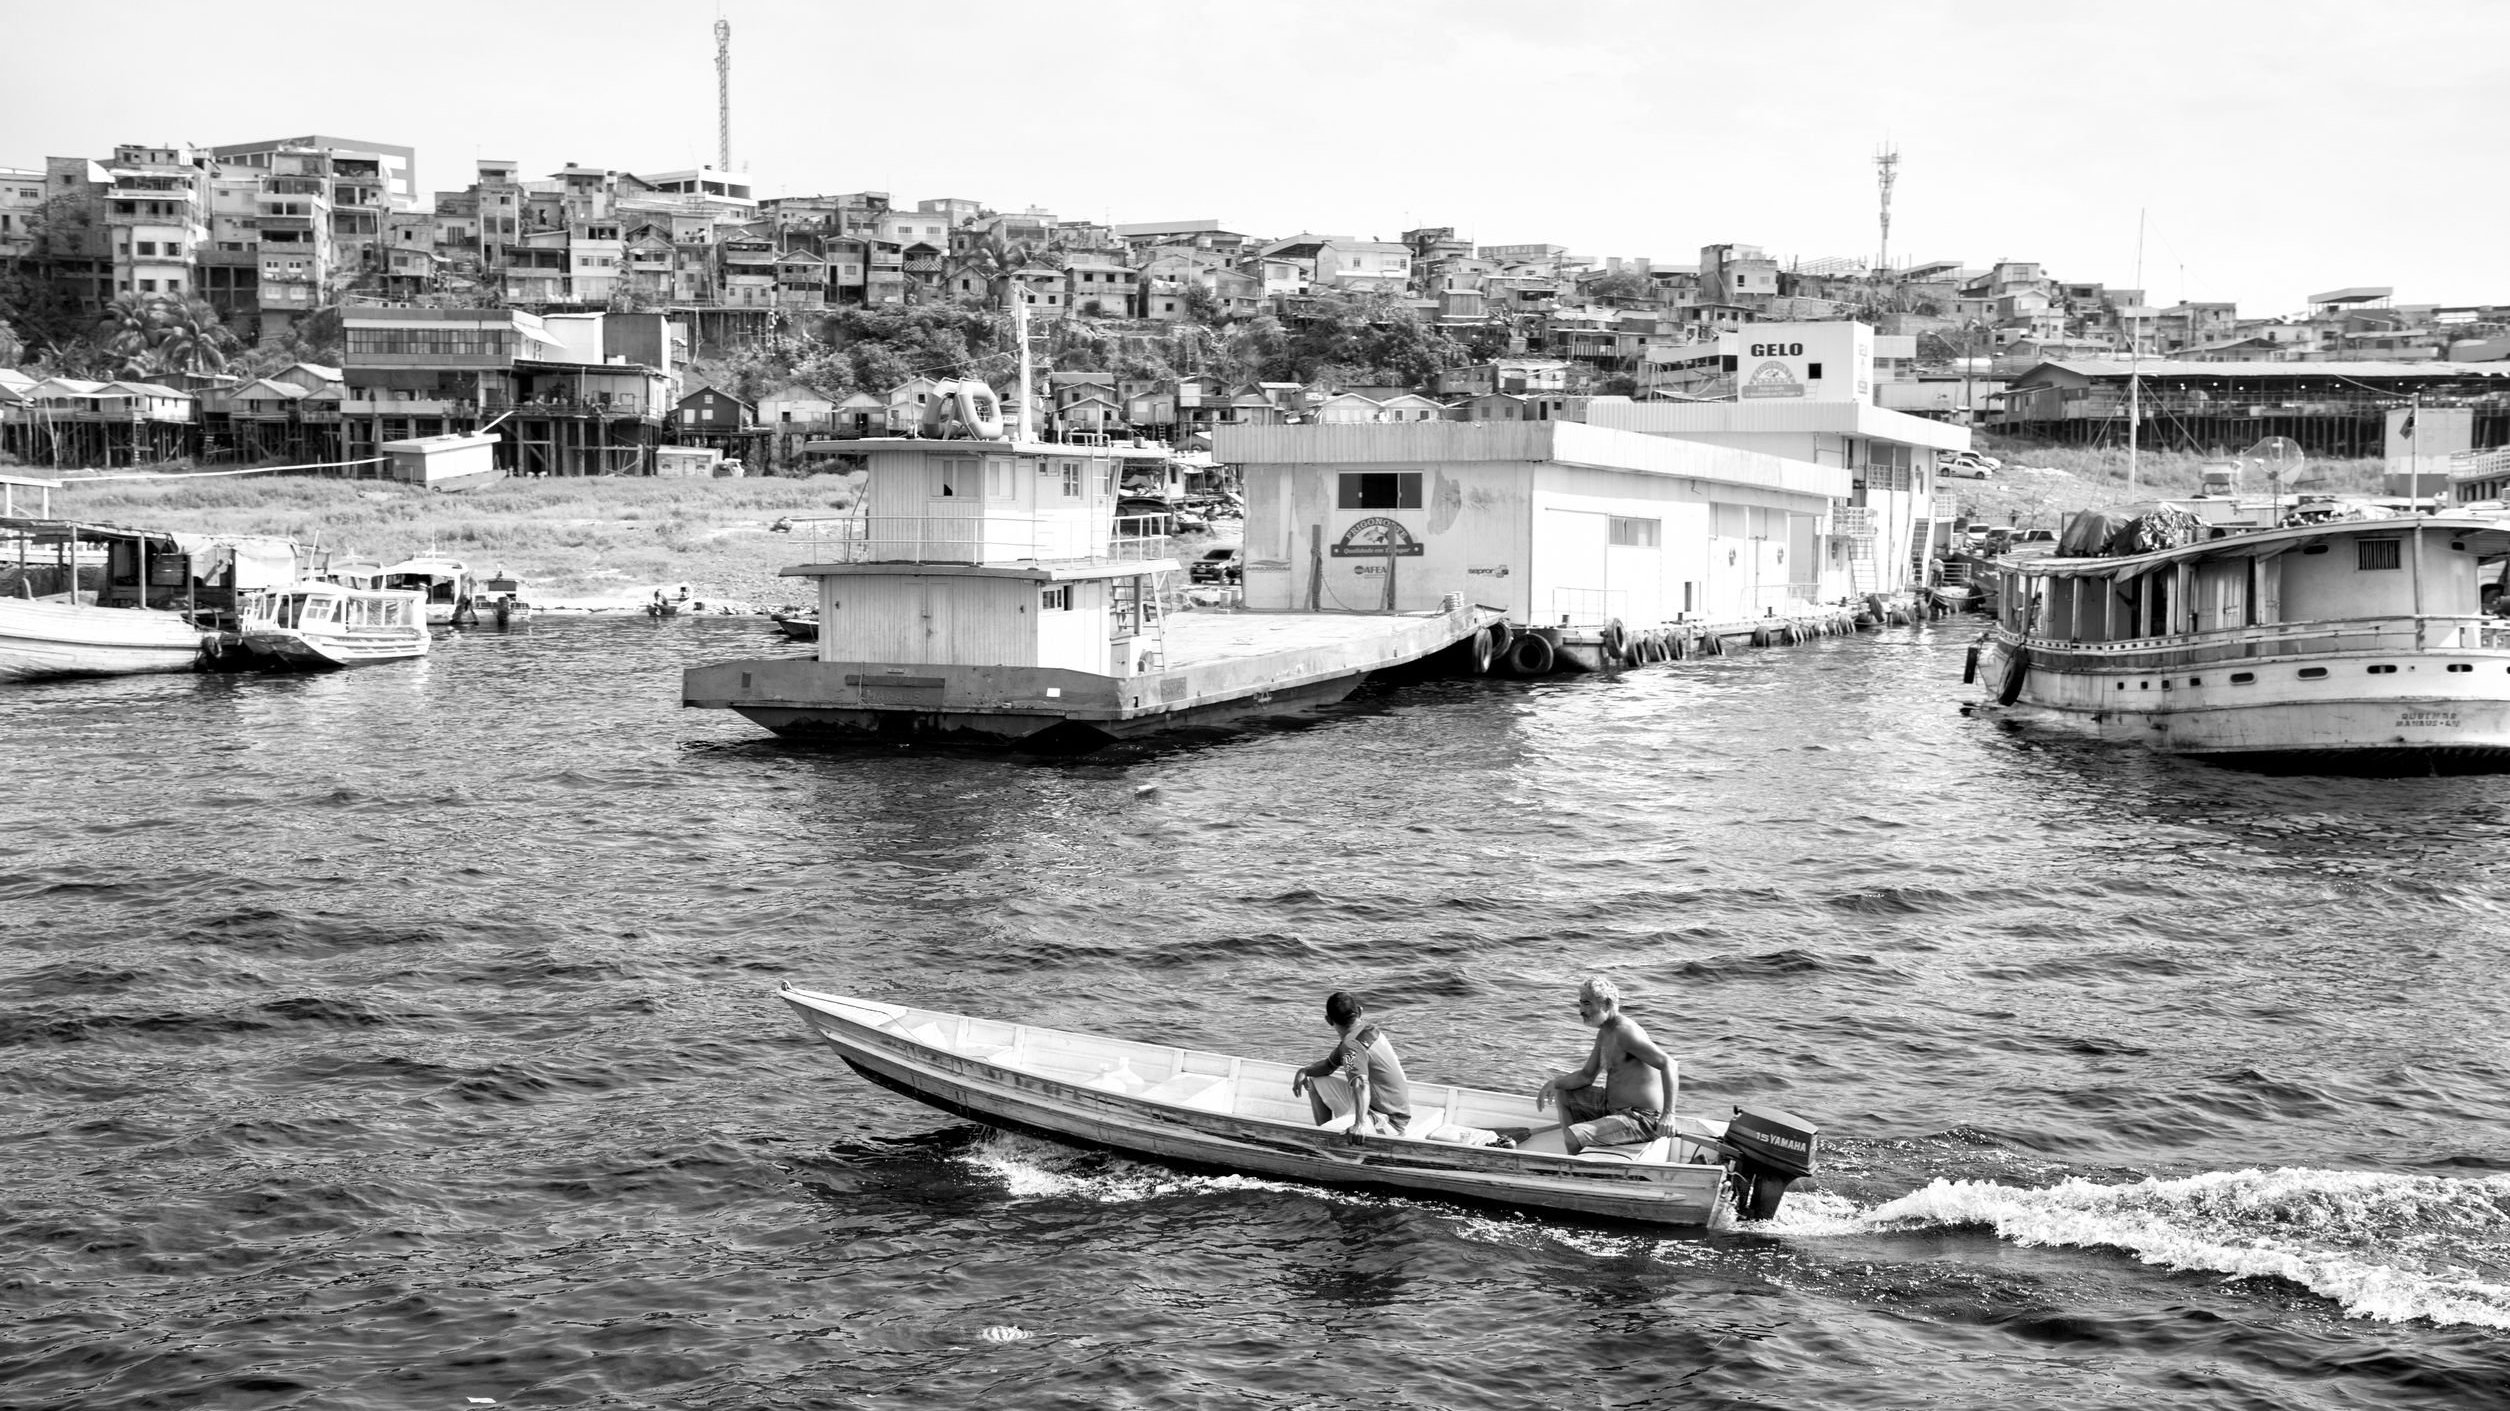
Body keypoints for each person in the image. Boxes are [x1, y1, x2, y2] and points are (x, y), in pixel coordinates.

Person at [1535, 975, 1674, 1154]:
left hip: (1641, 1119)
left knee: (1572, 1135)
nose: (1581, 1011)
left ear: (1607, 1004)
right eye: (1580, 1003)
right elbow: (1586, 1076)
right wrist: (1554, 1083)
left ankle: (1577, 1167)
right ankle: (1580, 1155)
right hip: (1612, 1108)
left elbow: (1669, 1064)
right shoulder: (1605, 1032)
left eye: (1587, 1003)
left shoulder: (1625, 1032)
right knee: (1563, 1093)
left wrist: (1668, 1115)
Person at [1289, 991, 1411, 1141]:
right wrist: (1305, 1071)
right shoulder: (1367, 1030)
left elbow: (1360, 1083)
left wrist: (1359, 1124)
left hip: (1387, 1121)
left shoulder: (1351, 1045)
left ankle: (1326, 1142)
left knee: (1328, 1133)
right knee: (1315, 1082)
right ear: (1359, 1011)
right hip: (1391, 1111)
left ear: (1328, 1020)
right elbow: (1328, 1066)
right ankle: (1326, 1138)